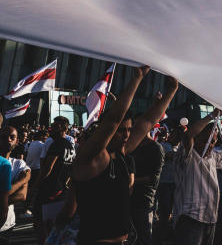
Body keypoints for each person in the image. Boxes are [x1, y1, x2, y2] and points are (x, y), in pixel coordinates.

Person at [72, 66, 178, 245]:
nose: (127, 135)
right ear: (107, 131)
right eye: (121, 131)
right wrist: (137, 78)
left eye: (129, 130)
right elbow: (113, 119)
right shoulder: (92, 158)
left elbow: (149, 121)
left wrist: (172, 90)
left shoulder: (120, 153)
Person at [173, 110, 222, 245]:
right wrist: (212, 115)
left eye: (213, 142)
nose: (210, 145)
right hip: (190, 219)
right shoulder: (188, 155)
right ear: (196, 138)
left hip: (210, 218)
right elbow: (188, 135)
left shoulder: (212, 156)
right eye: (206, 140)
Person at [34, 115, 75, 240]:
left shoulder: (57, 144)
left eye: (55, 127)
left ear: (63, 129)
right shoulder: (70, 145)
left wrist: (34, 187)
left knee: (41, 223)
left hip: (49, 190)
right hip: (61, 191)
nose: (51, 129)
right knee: (55, 226)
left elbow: (47, 169)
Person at [131, 118, 166, 245]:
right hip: (128, 199)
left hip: (145, 200)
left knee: (143, 237)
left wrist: (130, 182)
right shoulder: (132, 146)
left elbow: (153, 178)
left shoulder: (156, 148)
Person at [0, 125, 25, 232]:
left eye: (12, 137)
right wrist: (22, 180)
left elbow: (22, 195)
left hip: (7, 225)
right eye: (4, 137)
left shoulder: (19, 164)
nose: (8, 140)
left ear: (17, 141)